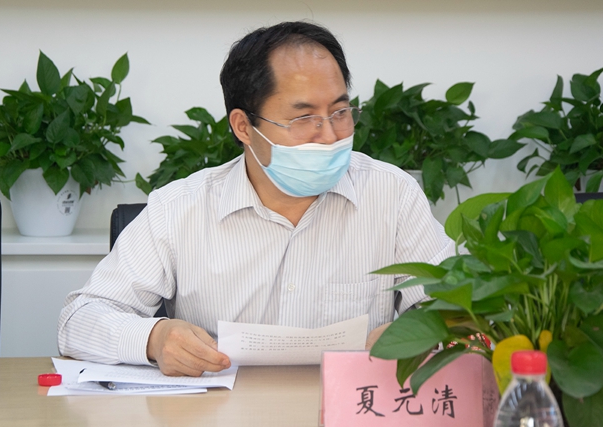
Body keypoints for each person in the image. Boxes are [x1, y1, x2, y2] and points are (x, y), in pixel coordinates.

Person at [58, 21, 454, 377]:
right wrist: (155, 339)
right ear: (244, 127)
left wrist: (421, 331)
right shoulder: (180, 209)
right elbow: (78, 321)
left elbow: (455, 305)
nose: (330, 135)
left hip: (352, 409)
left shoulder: (392, 195)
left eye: (339, 112)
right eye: (303, 118)